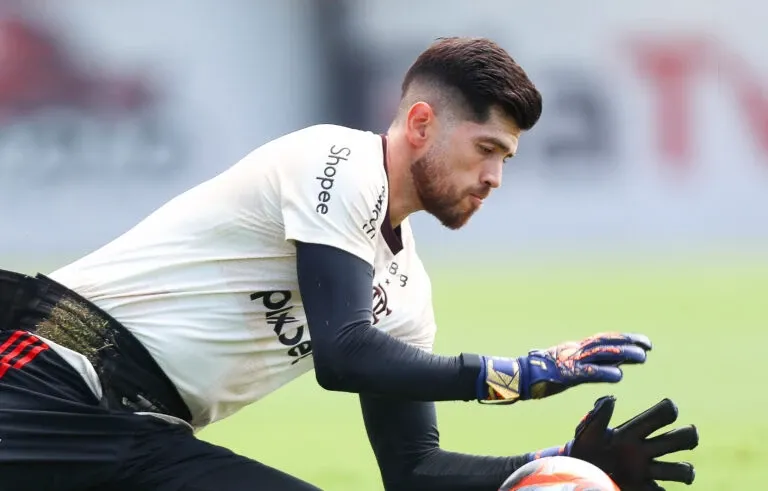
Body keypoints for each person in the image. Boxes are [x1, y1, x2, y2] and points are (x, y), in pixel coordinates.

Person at [0, 37, 697, 491]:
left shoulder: (406, 293)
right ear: (420, 124)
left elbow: (414, 470)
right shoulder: (336, 161)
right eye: (485, 149)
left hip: (145, 436)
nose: (494, 178)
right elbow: (343, 354)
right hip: (49, 381)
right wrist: (513, 374)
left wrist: (558, 465)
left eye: (506, 159)